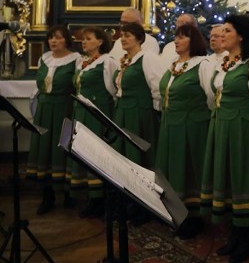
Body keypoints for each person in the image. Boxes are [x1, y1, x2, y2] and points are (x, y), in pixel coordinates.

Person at [201, 14, 249, 263]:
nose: (222, 35)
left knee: (243, 179)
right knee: (228, 177)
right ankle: (234, 234)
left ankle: (246, 238)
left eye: (228, 31)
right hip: (222, 126)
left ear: (241, 35)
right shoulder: (224, 62)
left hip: (243, 128)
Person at [156, 24, 214, 239]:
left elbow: (211, 97)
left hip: (193, 127)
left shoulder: (203, 64)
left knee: (190, 169)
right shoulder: (173, 65)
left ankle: (194, 217)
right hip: (171, 125)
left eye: (182, 37)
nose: (177, 41)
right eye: (176, 37)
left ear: (194, 41)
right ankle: (176, 213)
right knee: (173, 168)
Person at [26, 25, 81, 215]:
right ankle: (47, 195)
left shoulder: (75, 60)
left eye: (57, 38)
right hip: (44, 109)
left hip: (63, 108)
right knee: (44, 149)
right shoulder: (44, 58)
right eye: (51, 38)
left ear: (66, 40)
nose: (53, 41)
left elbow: (77, 86)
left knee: (62, 148)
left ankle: (68, 194)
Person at [67, 26, 117, 218]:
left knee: (97, 154)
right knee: (84, 153)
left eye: (88, 38)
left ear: (100, 41)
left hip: (97, 114)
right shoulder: (83, 62)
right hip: (81, 113)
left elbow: (112, 91)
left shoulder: (107, 61)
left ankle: (100, 199)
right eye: (83, 39)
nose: (84, 42)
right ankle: (90, 196)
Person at [112, 22, 162, 168]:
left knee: (137, 154)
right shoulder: (125, 60)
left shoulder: (147, 57)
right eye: (121, 36)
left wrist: (153, 113)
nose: (122, 39)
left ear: (139, 38)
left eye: (127, 36)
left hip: (140, 114)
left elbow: (157, 86)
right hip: (122, 112)